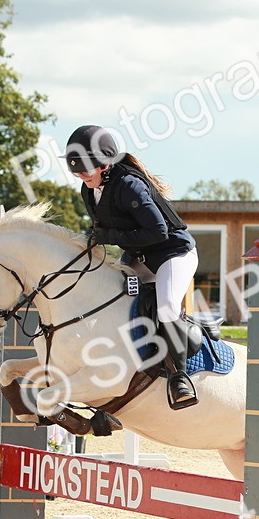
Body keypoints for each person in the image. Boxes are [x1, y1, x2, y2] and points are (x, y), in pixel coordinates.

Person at [64, 124, 199, 409]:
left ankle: (180, 378)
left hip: (172, 254)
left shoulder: (128, 185)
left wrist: (109, 238)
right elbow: (105, 229)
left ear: (104, 163)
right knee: (110, 297)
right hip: (139, 256)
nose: (82, 175)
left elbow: (159, 232)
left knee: (166, 308)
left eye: (86, 169)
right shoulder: (89, 190)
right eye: (77, 171)